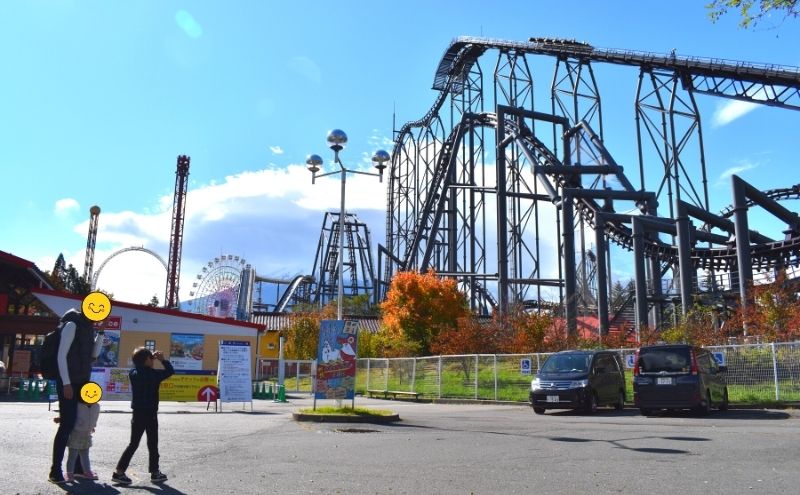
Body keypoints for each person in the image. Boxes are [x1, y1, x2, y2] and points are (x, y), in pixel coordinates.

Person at [49, 308, 103, 484]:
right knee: (67, 424)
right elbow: (61, 355)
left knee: (81, 423)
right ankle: (55, 470)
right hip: (68, 381)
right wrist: (65, 383)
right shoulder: (72, 324)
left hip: (82, 382)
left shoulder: (89, 327)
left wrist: (101, 334)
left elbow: (93, 355)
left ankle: (79, 469)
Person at [112, 348, 175, 485]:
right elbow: (170, 371)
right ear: (147, 360)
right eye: (151, 358)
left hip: (137, 412)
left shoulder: (133, 373)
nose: (153, 361)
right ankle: (155, 472)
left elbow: (139, 366)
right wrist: (162, 359)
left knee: (133, 443)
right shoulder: (152, 374)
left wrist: (148, 358)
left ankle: (119, 472)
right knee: (153, 444)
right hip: (150, 413)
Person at [65, 401, 101, 482]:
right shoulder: (77, 405)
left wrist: (92, 426)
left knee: (85, 455)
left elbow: (95, 418)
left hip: (87, 434)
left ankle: (87, 471)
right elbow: (71, 416)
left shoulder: (96, 406)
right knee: (72, 456)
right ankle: (69, 473)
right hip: (75, 434)